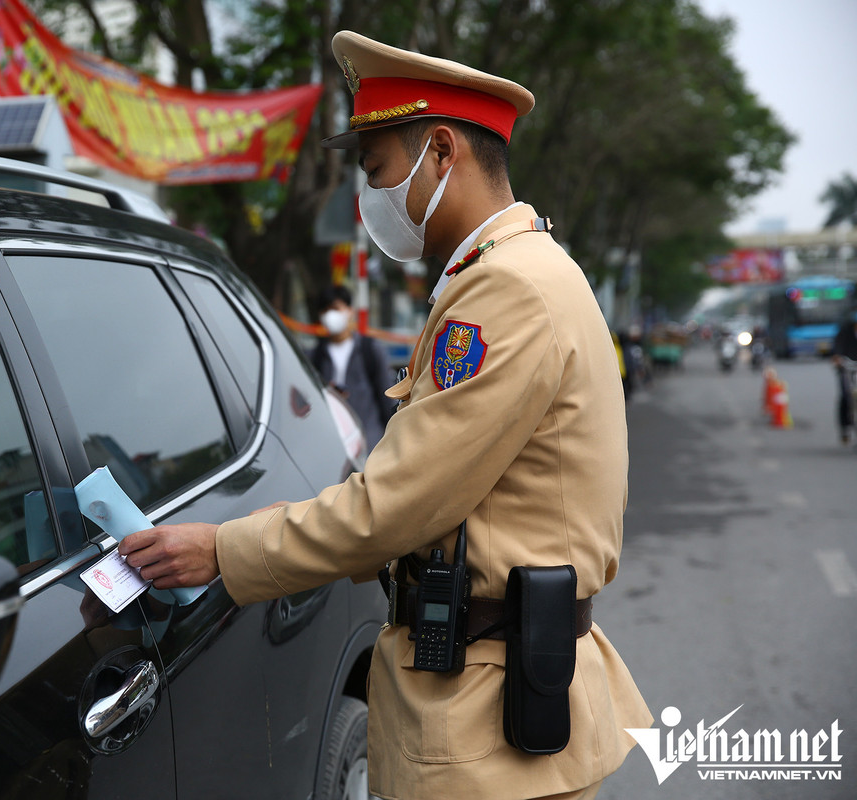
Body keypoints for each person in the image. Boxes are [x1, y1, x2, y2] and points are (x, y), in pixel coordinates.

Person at [118, 30, 651, 800]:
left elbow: (395, 506)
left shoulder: (507, 292)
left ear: (440, 151)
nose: (367, 199)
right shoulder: (519, 271)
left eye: (376, 172)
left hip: (486, 724)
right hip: (497, 700)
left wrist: (223, 551)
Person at [310, 284, 397, 446]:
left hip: (370, 443)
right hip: (332, 445)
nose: (330, 315)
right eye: (325, 310)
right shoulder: (315, 356)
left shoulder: (369, 350)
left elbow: (387, 395)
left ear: (350, 311)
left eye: (336, 308)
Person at [831, 309, 857, 444]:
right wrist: (838, 359)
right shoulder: (845, 331)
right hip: (848, 369)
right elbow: (838, 347)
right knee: (846, 397)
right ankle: (845, 428)